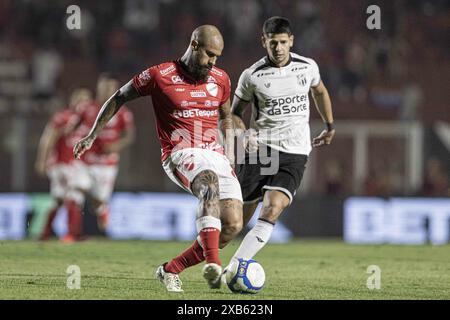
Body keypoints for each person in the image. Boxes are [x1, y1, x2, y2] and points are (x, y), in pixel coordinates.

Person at [73, 25, 244, 292]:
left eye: (217, 57)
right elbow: (118, 98)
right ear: (194, 45)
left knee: (232, 225)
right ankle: (213, 265)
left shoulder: (220, 78)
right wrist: (93, 135)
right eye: (210, 54)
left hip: (216, 153)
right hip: (180, 152)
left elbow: (226, 116)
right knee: (208, 184)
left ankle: (170, 269)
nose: (213, 62)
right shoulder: (159, 75)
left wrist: (231, 151)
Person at [229, 17, 335, 267]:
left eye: (283, 42)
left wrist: (329, 125)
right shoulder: (252, 75)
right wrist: (245, 134)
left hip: (295, 153)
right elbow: (234, 114)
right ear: (264, 42)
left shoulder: (307, 67)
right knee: (233, 224)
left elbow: (319, 91)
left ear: (291, 42)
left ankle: (235, 267)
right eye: (273, 42)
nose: (278, 48)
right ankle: (193, 259)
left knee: (272, 209)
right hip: (261, 152)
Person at [74, 74, 135, 232]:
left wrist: (117, 145)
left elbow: (130, 135)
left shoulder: (122, 112)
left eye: (111, 88)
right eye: (105, 87)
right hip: (85, 160)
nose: (107, 91)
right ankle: (73, 231)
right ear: (98, 88)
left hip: (107, 162)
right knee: (78, 187)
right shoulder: (86, 108)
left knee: (99, 200)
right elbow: (72, 126)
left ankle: (102, 210)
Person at [35, 88, 92, 242]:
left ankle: (46, 234)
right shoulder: (63, 116)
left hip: (74, 165)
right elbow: (49, 138)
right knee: (72, 195)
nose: (83, 103)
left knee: (61, 198)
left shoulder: (88, 121)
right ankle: (72, 234)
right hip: (60, 164)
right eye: (80, 99)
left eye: (86, 100)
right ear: (72, 101)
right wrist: (42, 160)